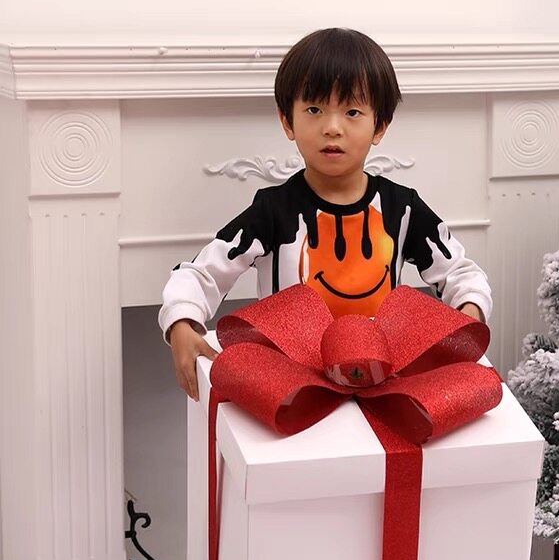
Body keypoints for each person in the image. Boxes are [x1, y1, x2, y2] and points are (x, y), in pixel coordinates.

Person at [159, 28, 493, 401]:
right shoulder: (273, 211)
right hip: (291, 387)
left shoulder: (402, 209)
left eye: (352, 112)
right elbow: (202, 272)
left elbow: (461, 272)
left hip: (381, 384)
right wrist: (182, 320)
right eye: (314, 110)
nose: (332, 128)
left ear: (379, 125)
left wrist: (469, 308)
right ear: (288, 121)